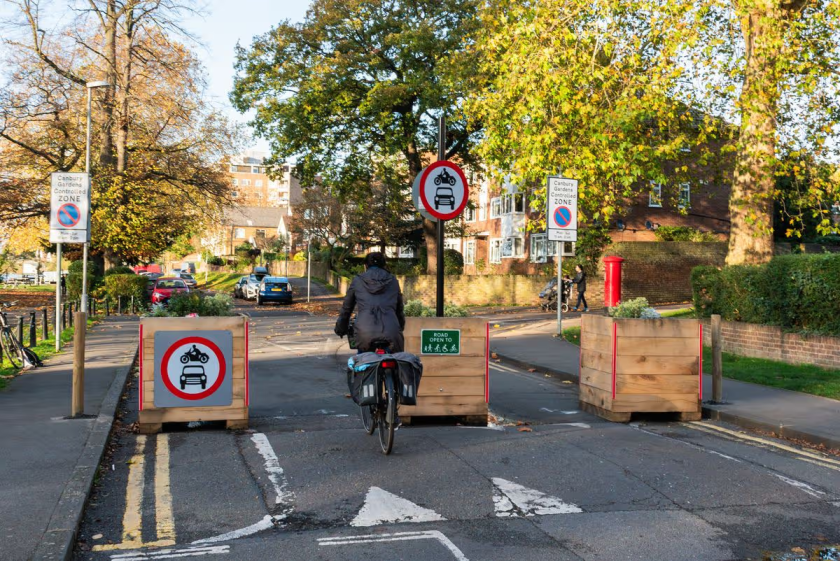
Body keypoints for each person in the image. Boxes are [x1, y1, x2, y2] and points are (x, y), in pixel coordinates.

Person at [335, 252, 405, 352]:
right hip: (391, 331)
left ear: (366, 265)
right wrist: (400, 326)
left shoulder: (358, 280)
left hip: (364, 332)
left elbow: (347, 308)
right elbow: (399, 309)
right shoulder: (393, 280)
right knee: (395, 360)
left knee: (362, 363)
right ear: (384, 265)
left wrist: (341, 328)